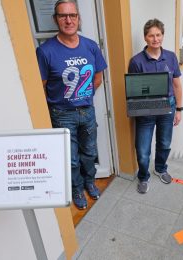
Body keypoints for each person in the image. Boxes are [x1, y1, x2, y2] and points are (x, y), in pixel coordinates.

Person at [36, 0, 107, 209]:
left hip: (87, 110)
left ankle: (90, 182)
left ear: (79, 18)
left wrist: (82, 96)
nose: (68, 20)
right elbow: (41, 87)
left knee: (89, 152)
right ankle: (76, 188)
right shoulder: (45, 51)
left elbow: (98, 78)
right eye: (63, 16)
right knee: (71, 158)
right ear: (55, 19)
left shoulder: (91, 46)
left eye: (72, 15)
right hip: (62, 114)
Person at [128, 18, 183, 194]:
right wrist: (137, 109)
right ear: (145, 38)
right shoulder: (136, 61)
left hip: (168, 106)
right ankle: (143, 176)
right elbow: (134, 90)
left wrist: (179, 109)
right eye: (151, 35)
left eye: (158, 35)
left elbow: (177, 85)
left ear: (162, 35)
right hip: (146, 109)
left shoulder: (171, 57)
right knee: (143, 150)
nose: (155, 39)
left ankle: (160, 168)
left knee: (165, 143)